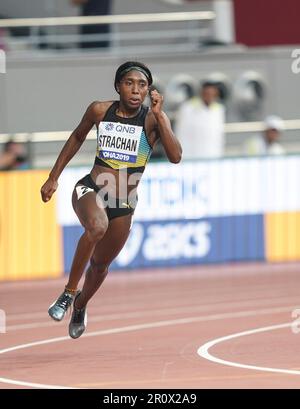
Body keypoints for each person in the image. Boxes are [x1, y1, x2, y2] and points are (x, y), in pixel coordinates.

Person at [41, 61, 182, 339]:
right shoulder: (99, 110)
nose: (135, 90)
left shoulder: (152, 119)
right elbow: (77, 137)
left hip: (124, 203)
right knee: (96, 226)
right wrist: (53, 177)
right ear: (118, 86)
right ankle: (68, 294)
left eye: (142, 85)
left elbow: (176, 157)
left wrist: (161, 116)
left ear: (149, 91)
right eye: (129, 83)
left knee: (100, 266)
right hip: (91, 188)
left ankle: (80, 304)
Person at [175, 81, 225, 159]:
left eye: (213, 94)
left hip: (213, 156)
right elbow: (180, 133)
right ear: (202, 93)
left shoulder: (219, 109)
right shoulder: (188, 108)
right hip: (191, 156)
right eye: (207, 93)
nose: (210, 97)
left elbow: (218, 136)